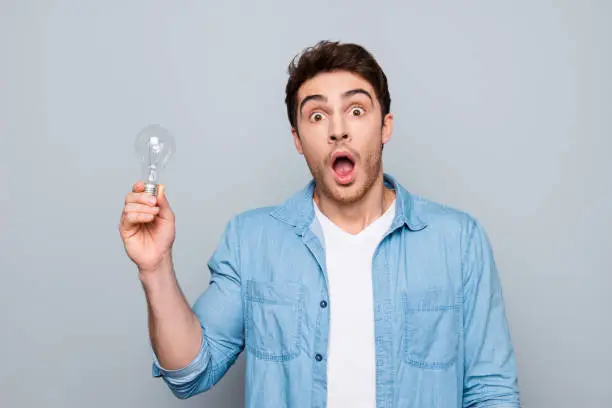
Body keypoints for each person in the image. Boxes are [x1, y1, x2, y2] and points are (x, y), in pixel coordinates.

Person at [119, 40, 520, 407]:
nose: (338, 129)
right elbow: (190, 371)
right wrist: (155, 268)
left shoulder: (458, 240)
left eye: (356, 110)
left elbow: (492, 392)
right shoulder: (251, 240)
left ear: (385, 127)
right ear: (297, 139)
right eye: (316, 115)